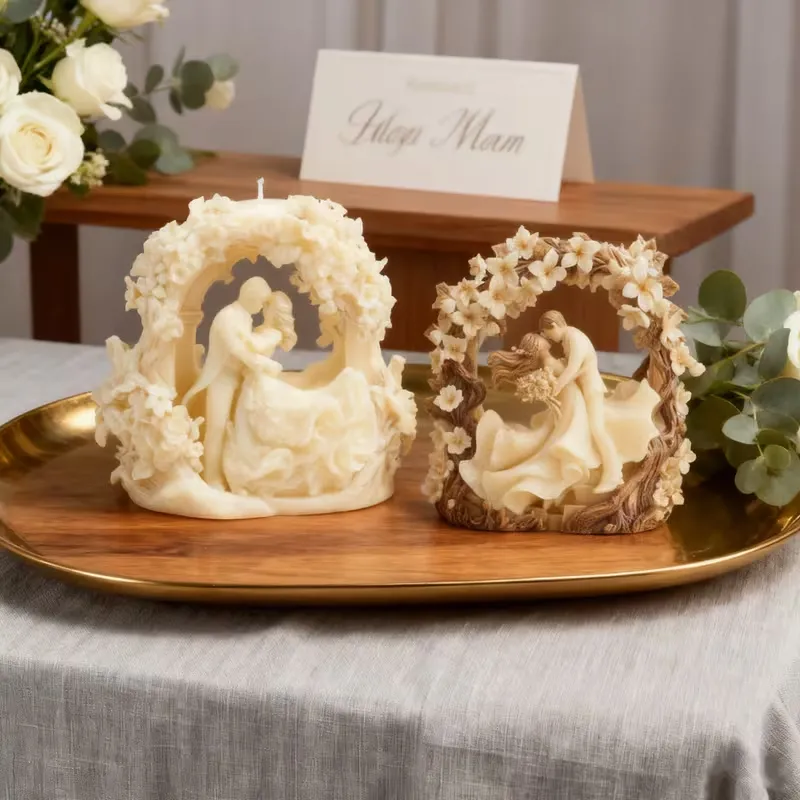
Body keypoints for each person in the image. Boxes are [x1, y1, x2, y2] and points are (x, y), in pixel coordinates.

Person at [459, 320, 660, 515]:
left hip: (576, 398)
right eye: (539, 337)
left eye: (543, 333)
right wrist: (560, 383)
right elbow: (569, 372)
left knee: (582, 432)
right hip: (573, 400)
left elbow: (573, 370)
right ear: (537, 347)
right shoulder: (549, 360)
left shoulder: (565, 346)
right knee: (573, 435)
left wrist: (574, 373)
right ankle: (609, 473)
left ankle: (610, 472)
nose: (544, 336)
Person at [183, 276, 281, 490]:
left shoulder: (243, 316)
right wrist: (262, 364)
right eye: (260, 302)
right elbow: (238, 349)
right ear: (250, 296)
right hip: (221, 379)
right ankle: (211, 477)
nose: (260, 307)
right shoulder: (228, 317)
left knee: (240, 429)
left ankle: (233, 474)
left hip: (238, 379)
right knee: (216, 428)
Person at [539, 310, 622, 493]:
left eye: (549, 335)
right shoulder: (570, 338)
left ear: (553, 326)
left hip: (591, 388)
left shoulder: (574, 337)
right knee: (588, 429)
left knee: (598, 429)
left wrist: (556, 387)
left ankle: (614, 475)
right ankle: (597, 470)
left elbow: (572, 368)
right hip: (584, 388)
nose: (551, 340)